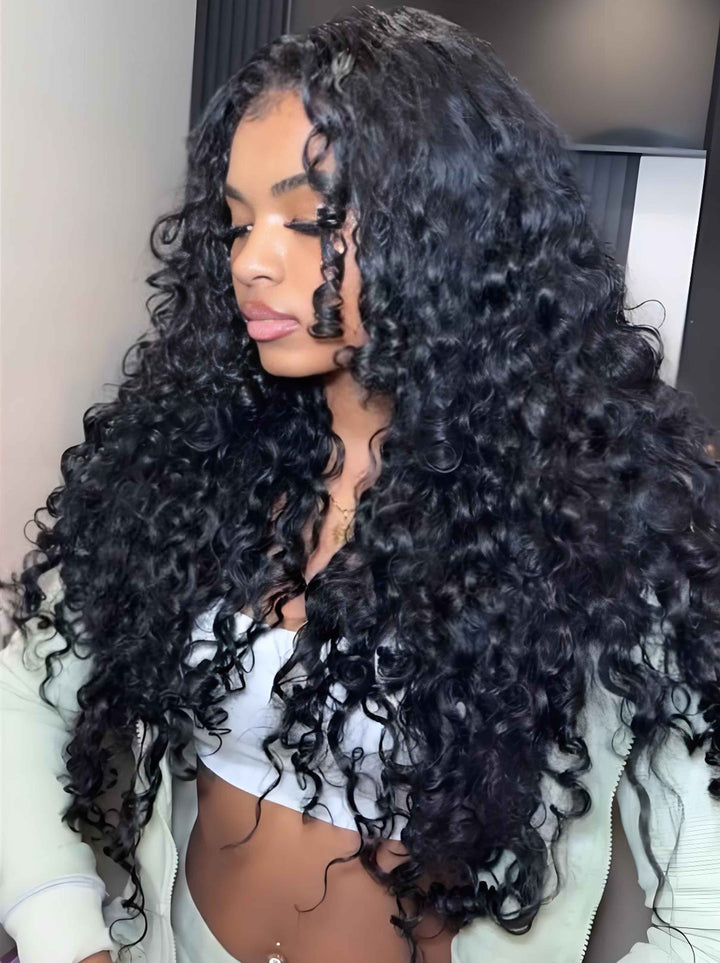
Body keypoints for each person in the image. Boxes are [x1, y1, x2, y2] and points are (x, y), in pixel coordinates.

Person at [2, 5, 720, 963]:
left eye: (310, 218)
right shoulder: (189, 458)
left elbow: (708, 905)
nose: (252, 260)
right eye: (237, 221)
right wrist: (66, 934)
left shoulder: (609, 514)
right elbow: (25, 686)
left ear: (450, 231)